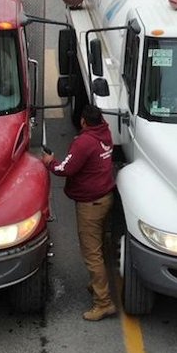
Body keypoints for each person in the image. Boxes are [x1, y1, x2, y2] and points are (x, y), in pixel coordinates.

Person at [41, 105, 117, 322]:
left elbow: (66, 168)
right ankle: (97, 286)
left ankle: (103, 303)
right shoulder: (105, 134)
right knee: (101, 247)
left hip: (90, 204)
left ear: (83, 121)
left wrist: (50, 162)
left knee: (92, 254)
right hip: (105, 197)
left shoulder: (84, 142)